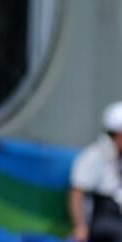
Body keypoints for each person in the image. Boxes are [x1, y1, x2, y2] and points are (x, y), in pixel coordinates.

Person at [69, 102, 122, 242]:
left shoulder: (118, 156)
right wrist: (80, 227)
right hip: (102, 219)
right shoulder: (95, 155)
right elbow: (77, 192)